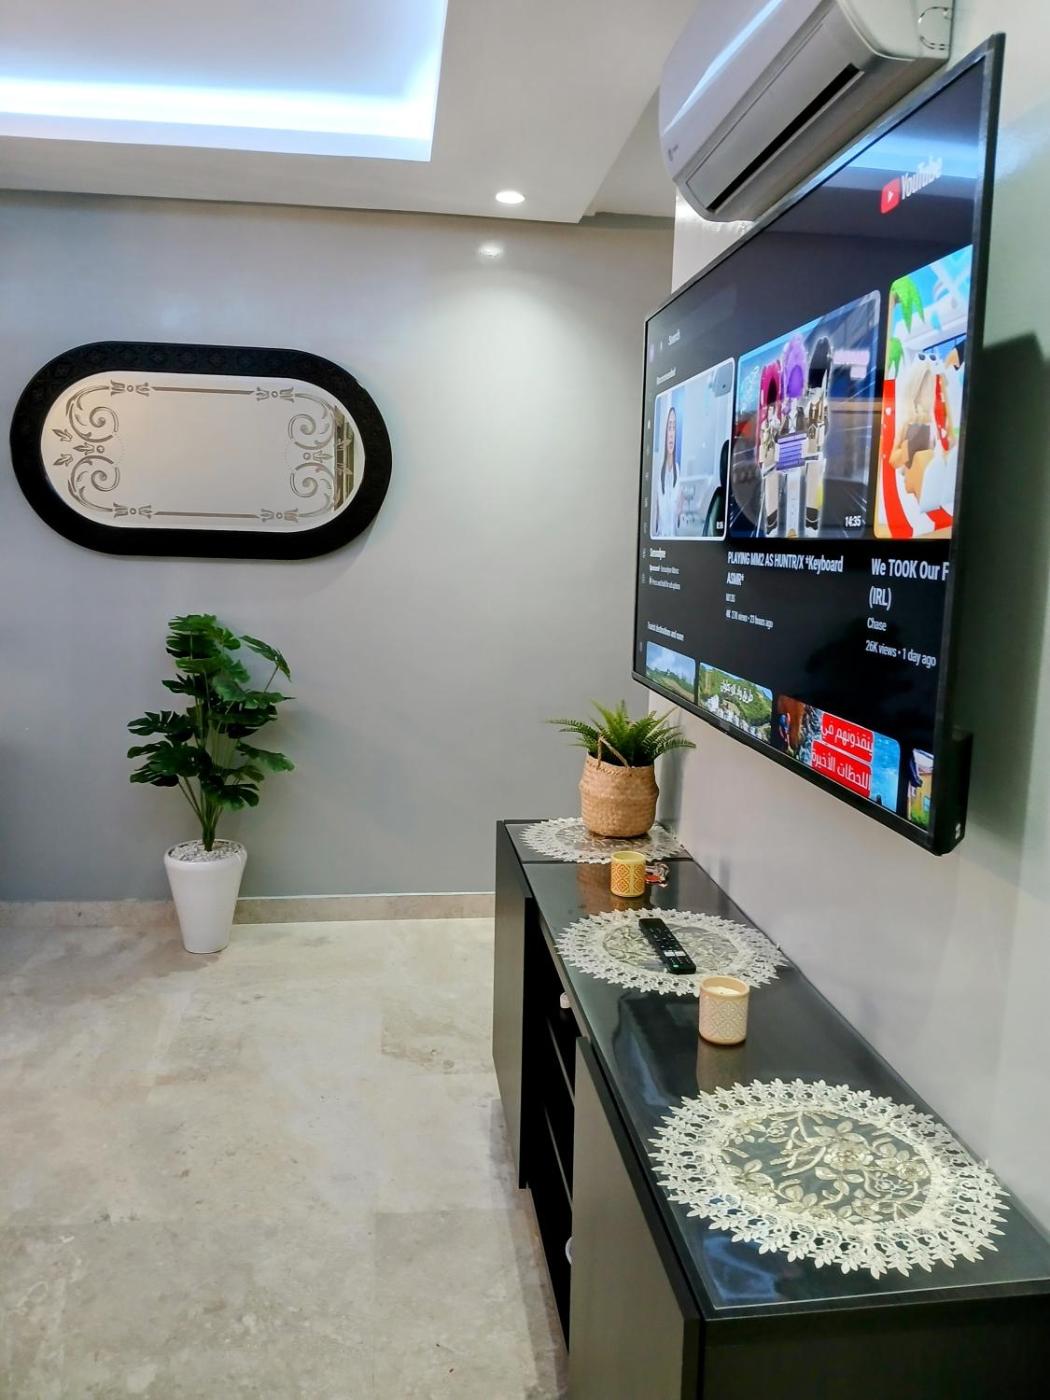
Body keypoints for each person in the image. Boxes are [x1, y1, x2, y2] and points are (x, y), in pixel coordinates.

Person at [652, 405, 681, 537]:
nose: (671, 434)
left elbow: (677, 516)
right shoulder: (658, 471)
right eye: (669, 427)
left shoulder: (677, 471)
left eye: (674, 428)